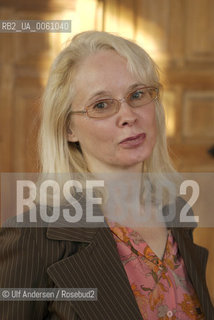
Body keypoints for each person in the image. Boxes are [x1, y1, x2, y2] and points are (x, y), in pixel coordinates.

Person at [0, 31, 213, 320]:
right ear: (68, 129)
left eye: (137, 95)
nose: (128, 115)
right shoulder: (34, 238)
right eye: (101, 105)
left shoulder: (176, 213)